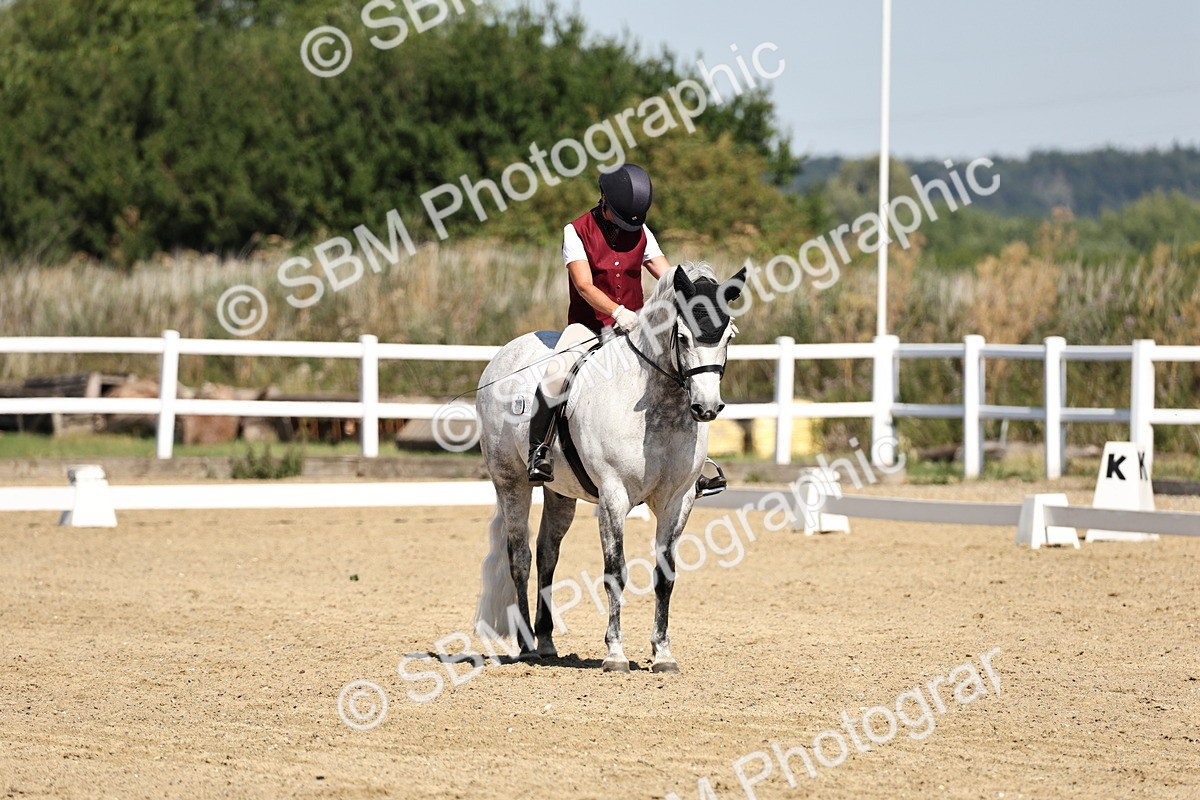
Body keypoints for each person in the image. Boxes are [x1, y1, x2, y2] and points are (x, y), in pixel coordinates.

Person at [527, 164, 725, 498]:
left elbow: (666, 275)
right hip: (588, 326)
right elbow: (584, 285)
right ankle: (539, 451)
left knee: (678, 372)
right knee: (556, 373)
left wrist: (698, 296)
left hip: (637, 330)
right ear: (603, 198)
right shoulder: (576, 231)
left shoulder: (643, 232)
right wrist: (619, 312)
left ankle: (691, 466)